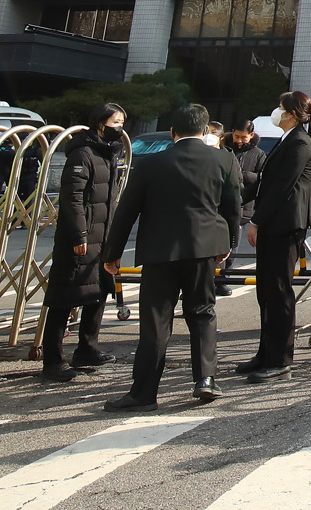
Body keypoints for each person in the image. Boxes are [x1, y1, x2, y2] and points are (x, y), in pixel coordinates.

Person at [100, 103, 239, 411]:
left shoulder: (150, 164)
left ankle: (144, 393)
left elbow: (126, 212)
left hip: (160, 250)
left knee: (156, 321)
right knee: (202, 313)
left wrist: (112, 254)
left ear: (172, 132)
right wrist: (228, 242)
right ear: (205, 132)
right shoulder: (223, 160)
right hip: (204, 249)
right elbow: (233, 207)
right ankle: (206, 379)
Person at [38, 103, 126, 382]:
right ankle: (52, 360)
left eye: (122, 122)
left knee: (97, 293)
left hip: (102, 237)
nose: (120, 128)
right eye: (116, 122)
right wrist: (79, 235)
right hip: (81, 238)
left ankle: (87, 349)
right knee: (64, 298)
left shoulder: (108, 154)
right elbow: (72, 197)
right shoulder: (83, 154)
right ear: (101, 123)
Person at [239, 91, 311, 382]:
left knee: (279, 292)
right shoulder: (287, 140)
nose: (277, 112)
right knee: (266, 293)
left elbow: (282, 187)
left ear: (293, 114)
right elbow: (265, 181)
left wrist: (256, 221)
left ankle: (281, 359)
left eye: (282, 107)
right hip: (276, 224)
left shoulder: (300, 143)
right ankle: (265, 353)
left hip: (285, 225)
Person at [216, 122, 266, 298]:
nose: (238, 141)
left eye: (243, 137)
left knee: (232, 244)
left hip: (244, 205)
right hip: (220, 203)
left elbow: (263, 177)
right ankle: (213, 278)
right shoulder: (224, 149)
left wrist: (241, 174)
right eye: (236, 136)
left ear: (251, 136)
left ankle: (224, 279)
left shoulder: (258, 154)